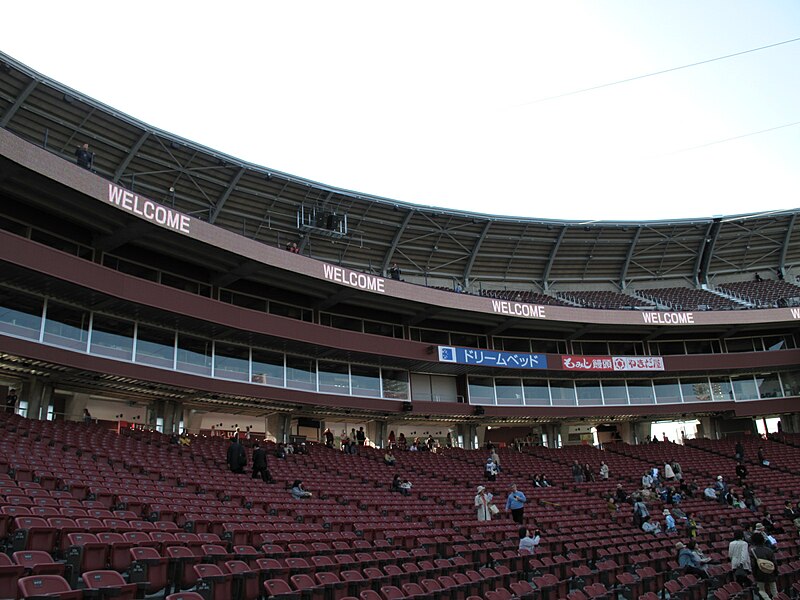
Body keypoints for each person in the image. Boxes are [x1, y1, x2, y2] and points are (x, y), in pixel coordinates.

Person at [750, 531, 777, 599]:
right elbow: (774, 562)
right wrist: (775, 572)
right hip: (770, 572)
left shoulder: (753, 551)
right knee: (774, 590)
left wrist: (755, 575)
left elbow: (753, 565)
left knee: (761, 590)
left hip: (760, 573)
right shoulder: (769, 550)